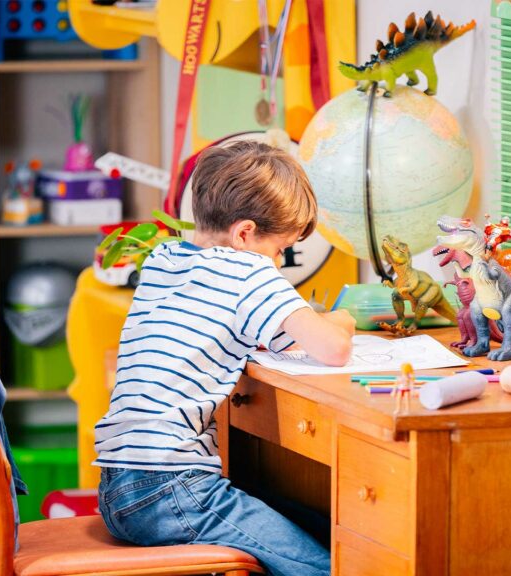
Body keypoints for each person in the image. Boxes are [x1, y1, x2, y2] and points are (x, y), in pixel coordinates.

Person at [94, 140, 354, 576]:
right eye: (280, 250)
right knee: (328, 565)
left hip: (118, 488)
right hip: (172, 489)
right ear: (245, 234)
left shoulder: (164, 259)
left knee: (320, 527)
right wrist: (342, 319)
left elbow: (243, 329)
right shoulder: (248, 271)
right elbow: (334, 348)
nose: (279, 263)